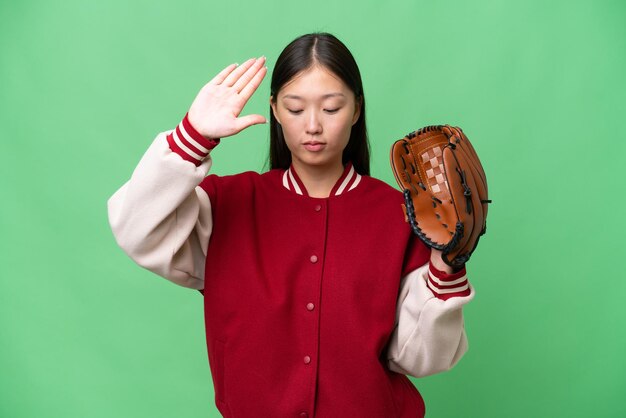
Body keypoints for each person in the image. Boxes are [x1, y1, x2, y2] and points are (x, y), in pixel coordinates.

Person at [107, 32, 474, 418]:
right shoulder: (226, 205)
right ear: (275, 109)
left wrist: (447, 266)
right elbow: (135, 228)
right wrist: (191, 137)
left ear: (357, 109)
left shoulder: (402, 215)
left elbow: (421, 358)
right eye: (295, 109)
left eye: (331, 108)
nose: (313, 125)